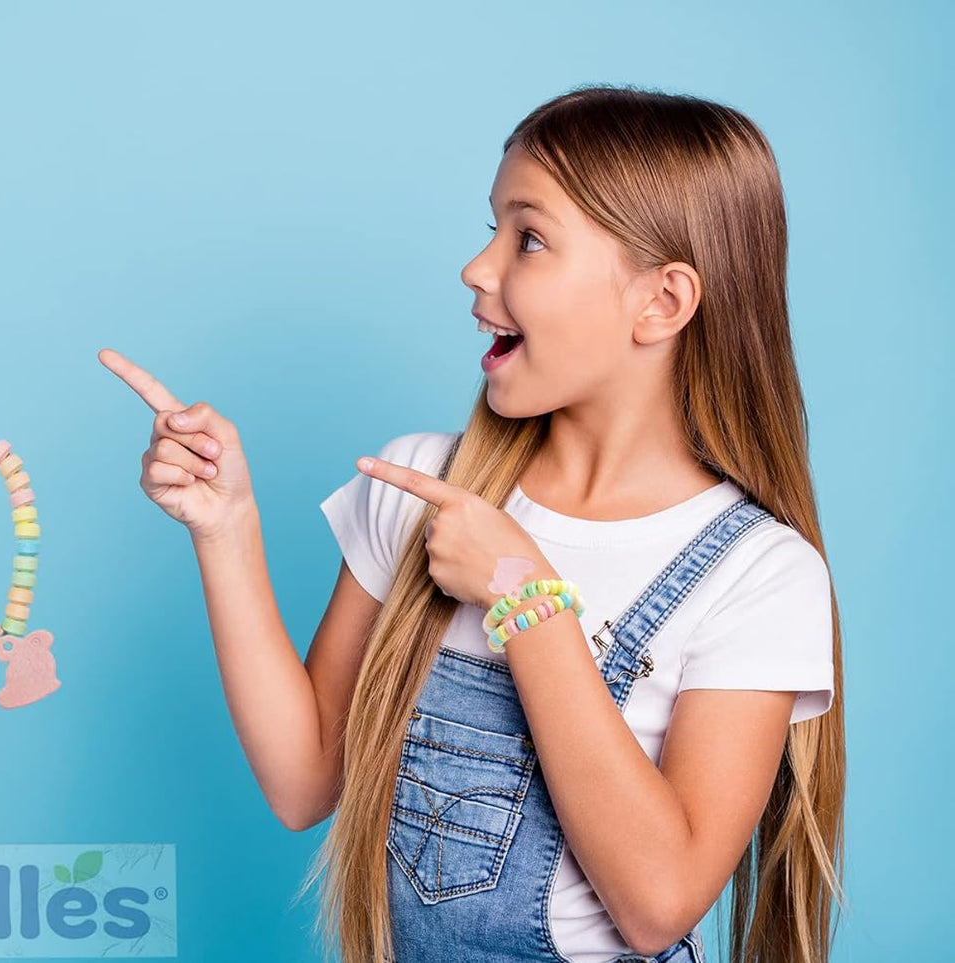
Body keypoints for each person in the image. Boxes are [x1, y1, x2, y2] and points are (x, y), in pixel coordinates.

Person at [99, 83, 844, 963]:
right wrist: (225, 528)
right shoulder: (422, 484)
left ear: (660, 303)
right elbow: (304, 782)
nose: (476, 268)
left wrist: (526, 600)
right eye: (490, 227)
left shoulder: (758, 574)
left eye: (527, 238)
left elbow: (658, 902)